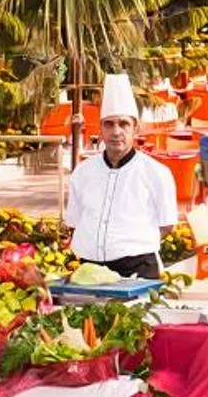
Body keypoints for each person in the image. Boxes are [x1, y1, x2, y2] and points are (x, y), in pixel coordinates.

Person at [64, 73, 179, 279]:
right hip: (90, 271)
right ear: (100, 129)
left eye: (123, 124)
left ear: (136, 128)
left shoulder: (156, 173)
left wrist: (129, 244)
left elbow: (167, 224)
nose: (116, 131)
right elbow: (74, 221)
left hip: (139, 269)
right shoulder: (83, 172)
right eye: (109, 124)